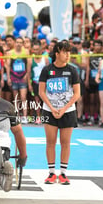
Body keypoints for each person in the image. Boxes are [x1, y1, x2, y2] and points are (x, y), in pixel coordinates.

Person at [39, 41, 80, 185]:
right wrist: (51, 107)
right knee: (50, 142)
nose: (68, 55)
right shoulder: (47, 70)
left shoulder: (73, 70)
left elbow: (76, 94)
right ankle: (51, 173)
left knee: (65, 143)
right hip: (49, 111)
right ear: (57, 53)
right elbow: (41, 91)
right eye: (65, 52)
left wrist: (63, 109)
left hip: (68, 111)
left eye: (69, 52)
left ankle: (63, 174)